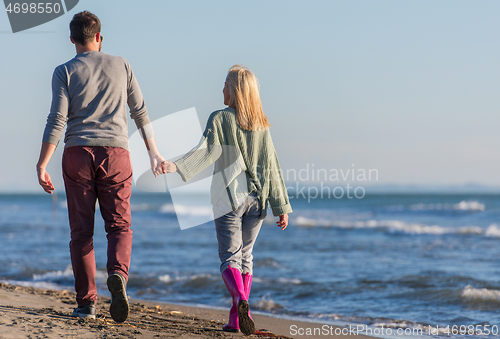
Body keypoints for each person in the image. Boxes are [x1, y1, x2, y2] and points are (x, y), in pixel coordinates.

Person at [36, 11, 166, 322]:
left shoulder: (64, 71)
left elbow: (57, 120)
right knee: (119, 226)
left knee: (82, 232)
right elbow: (140, 112)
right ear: (99, 37)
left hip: (77, 153)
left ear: (72, 40)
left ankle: (87, 304)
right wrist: (154, 153)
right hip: (116, 153)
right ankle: (118, 275)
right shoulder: (122, 65)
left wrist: (42, 163)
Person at [163, 65, 292, 335]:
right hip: (258, 200)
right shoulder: (262, 126)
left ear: (234, 90)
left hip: (229, 196)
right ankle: (236, 320)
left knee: (229, 258)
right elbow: (272, 166)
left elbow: (207, 151)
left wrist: (177, 166)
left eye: (225, 85)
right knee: (246, 257)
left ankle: (242, 301)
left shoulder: (220, 119)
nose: (221, 89)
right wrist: (281, 207)